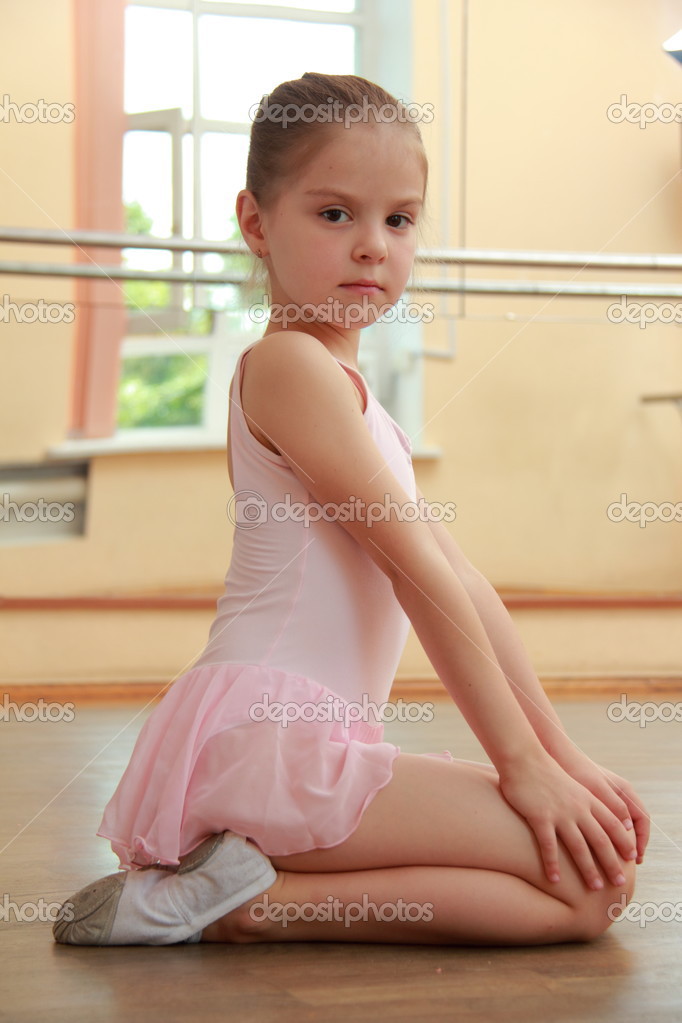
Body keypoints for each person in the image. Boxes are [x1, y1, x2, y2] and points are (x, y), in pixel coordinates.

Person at [55, 72, 648, 948]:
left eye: (398, 219)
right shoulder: (290, 367)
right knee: (586, 890)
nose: (373, 246)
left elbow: (461, 583)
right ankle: (249, 907)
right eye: (335, 214)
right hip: (271, 739)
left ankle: (235, 884)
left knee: (592, 876)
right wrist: (519, 768)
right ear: (256, 222)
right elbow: (415, 577)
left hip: (300, 745)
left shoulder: (357, 404)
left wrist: (564, 759)